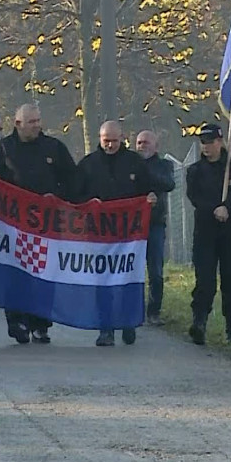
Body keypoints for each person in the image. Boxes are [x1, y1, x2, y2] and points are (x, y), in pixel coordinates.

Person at [0, 103, 77, 344]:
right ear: (18, 124)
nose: (37, 125)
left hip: (45, 224)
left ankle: (41, 323)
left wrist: (57, 195)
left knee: (43, 270)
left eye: (39, 120)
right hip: (13, 223)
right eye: (32, 122)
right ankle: (16, 321)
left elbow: (72, 179)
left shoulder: (54, 147)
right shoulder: (3, 148)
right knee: (15, 272)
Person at [75, 121, 155, 347]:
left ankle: (128, 322)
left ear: (123, 138)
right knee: (102, 281)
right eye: (106, 140)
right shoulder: (88, 164)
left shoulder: (134, 162)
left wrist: (150, 199)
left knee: (127, 278)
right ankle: (106, 328)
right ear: (99, 138)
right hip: (99, 233)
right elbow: (75, 194)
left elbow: (147, 189)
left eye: (114, 140)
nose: (110, 145)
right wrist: (89, 203)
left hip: (129, 234)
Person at [186, 123, 231, 345]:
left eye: (210, 142)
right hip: (205, 233)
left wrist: (227, 206)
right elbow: (194, 197)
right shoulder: (194, 171)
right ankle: (199, 322)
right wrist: (215, 208)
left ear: (220, 142)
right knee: (205, 280)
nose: (206, 147)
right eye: (203, 142)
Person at [135, 129, 176, 326]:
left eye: (146, 143)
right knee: (132, 270)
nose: (142, 146)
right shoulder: (130, 164)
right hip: (132, 226)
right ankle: (133, 309)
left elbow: (168, 184)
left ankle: (154, 311)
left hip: (155, 224)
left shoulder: (163, 165)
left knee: (156, 270)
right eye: (139, 143)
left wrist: (145, 172)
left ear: (156, 146)